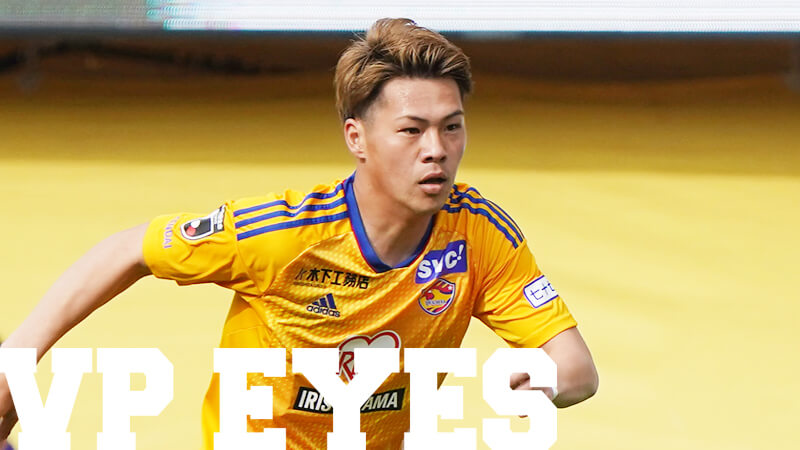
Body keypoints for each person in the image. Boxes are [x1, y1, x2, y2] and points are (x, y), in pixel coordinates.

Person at [0, 18, 597, 449]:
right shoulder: (283, 234)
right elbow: (129, 249)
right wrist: (13, 365)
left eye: (452, 127)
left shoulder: (480, 235)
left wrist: (546, 381)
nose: (436, 150)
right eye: (411, 130)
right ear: (357, 138)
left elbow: (576, 369)